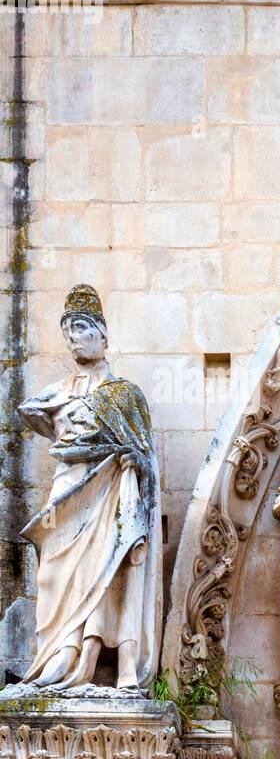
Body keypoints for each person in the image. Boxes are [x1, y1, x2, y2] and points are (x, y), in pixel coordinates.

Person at [5, 285, 162, 694]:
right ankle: (59, 653)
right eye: (67, 331)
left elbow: (146, 459)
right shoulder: (58, 394)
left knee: (105, 573)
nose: (73, 337)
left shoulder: (124, 395)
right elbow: (30, 412)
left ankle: (88, 655)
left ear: (103, 335)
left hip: (107, 496)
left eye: (80, 328)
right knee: (54, 572)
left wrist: (134, 462)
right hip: (66, 494)